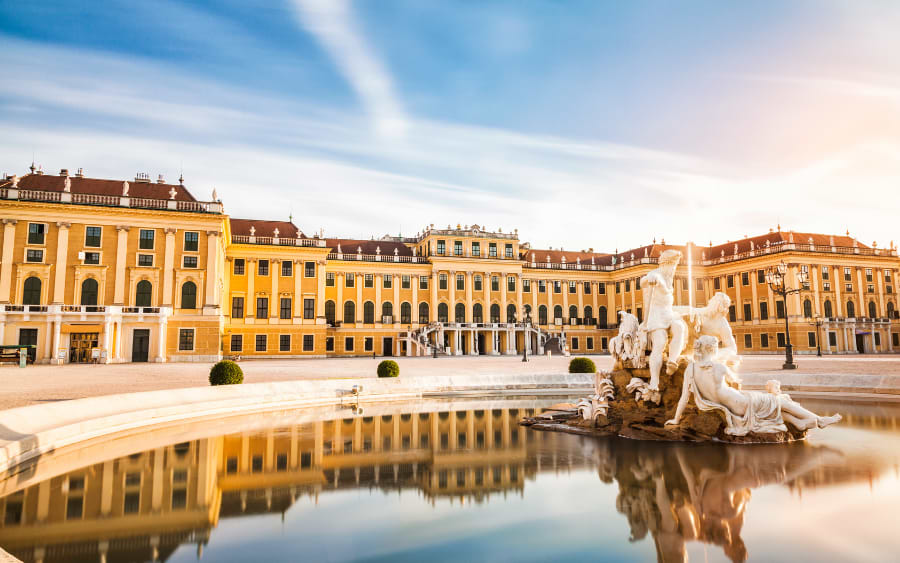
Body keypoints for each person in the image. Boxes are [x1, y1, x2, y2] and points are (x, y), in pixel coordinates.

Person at [667, 335, 841, 435]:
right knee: (779, 400)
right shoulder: (720, 367)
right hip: (742, 403)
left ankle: (800, 422)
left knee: (773, 408)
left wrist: (676, 419)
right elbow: (737, 382)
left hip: (734, 407)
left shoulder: (690, 368)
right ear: (712, 349)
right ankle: (819, 419)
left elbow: (683, 398)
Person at [640, 249, 688, 392]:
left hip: (668, 313)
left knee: (680, 327)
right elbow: (643, 281)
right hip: (655, 315)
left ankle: (672, 360)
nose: (674, 269)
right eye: (673, 266)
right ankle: (654, 380)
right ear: (666, 264)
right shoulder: (657, 274)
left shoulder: (669, 277)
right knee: (660, 342)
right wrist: (650, 279)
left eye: (675, 266)